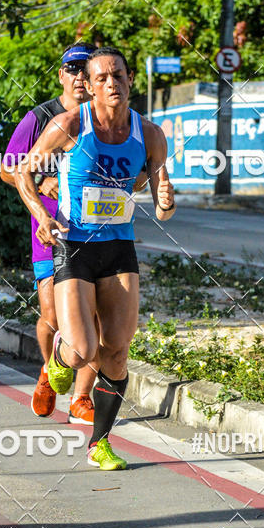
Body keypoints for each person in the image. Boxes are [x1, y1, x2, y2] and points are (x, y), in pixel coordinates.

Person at [15, 46, 175, 470]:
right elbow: (23, 171)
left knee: (117, 353)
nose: (111, 84)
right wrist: (41, 217)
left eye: (118, 75)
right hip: (74, 245)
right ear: (89, 84)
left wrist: (164, 198)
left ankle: (99, 444)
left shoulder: (150, 134)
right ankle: (57, 360)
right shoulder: (69, 124)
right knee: (82, 349)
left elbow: (162, 201)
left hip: (119, 247)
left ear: (130, 79)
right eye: (101, 77)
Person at [1, 42, 99, 424]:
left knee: (94, 317)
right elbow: (8, 169)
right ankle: (48, 369)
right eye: (72, 69)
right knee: (53, 316)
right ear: (61, 75)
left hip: (96, 231)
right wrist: (42, 183)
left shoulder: (107, 119)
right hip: (51, 229)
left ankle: (82, 397)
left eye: (86, 69)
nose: (79, 76)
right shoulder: (40, 118)